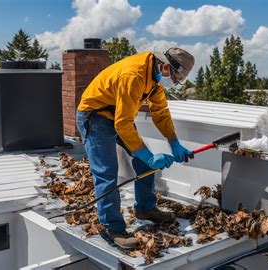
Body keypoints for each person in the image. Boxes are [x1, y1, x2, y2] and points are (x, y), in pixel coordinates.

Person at [76, 48, 195, 249]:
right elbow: (122, 125)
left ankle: (146, 209)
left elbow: (161, 113)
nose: (174, 84)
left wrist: (174, 143)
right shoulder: (134, 75)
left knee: (142, 160)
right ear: (166, 67)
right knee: (106, 172)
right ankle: (111, 227)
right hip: (94, 116)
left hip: (116, 115)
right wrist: (149, 156)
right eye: (175, 79)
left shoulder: (155, 79)